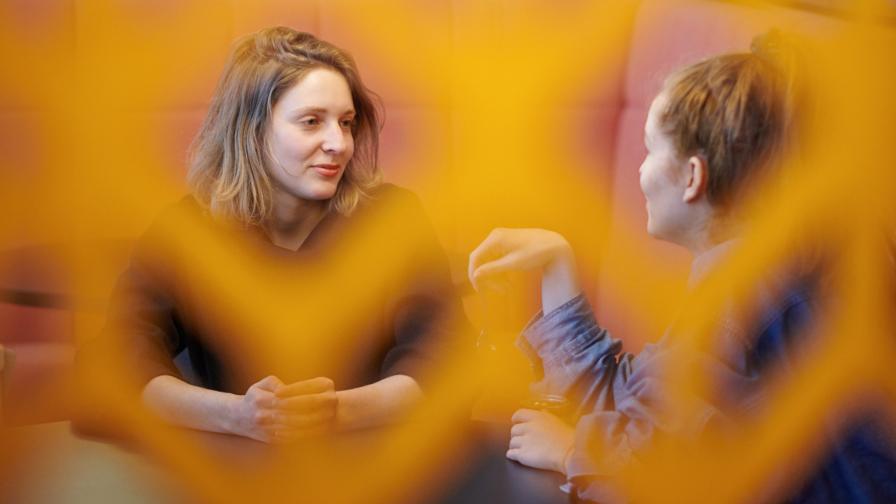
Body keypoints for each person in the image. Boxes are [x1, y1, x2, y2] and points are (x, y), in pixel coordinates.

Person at [468, 32, 896, 502]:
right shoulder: (778, 273)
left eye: (651, 149)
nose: (640, 169)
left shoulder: (736, 302)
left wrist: (573, 450)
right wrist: (557, 267)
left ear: (693, 177)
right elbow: (643, 406)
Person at [79, 27, 468, 443]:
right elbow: (114, 365)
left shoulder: (394, 218)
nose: (338, 143)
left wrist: (335, 413)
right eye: (312, 122)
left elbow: (447, 363)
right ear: (252, 130)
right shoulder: (188, 231)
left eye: (347, 123)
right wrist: (237, 415)